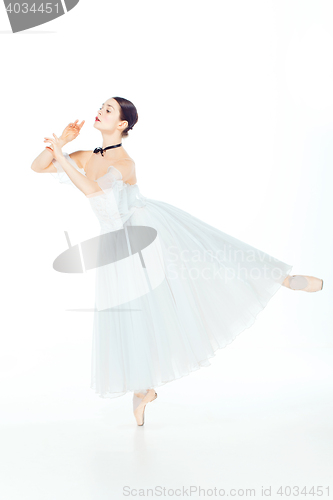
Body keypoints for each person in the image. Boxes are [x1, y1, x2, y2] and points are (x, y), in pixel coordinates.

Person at [31, 96, 324, 426]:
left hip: (145, 229)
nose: (100, 112)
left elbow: (93, 194)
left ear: (123, 124)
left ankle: (281, 279)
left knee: (205, 257)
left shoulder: (125, 163)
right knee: (132, 314)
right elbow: (37, 166)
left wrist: (62, 156)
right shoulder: (86, 155)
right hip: (117, 243)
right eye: (101, 107)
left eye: (108, 110)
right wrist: (62, 143)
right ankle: (143, 389)